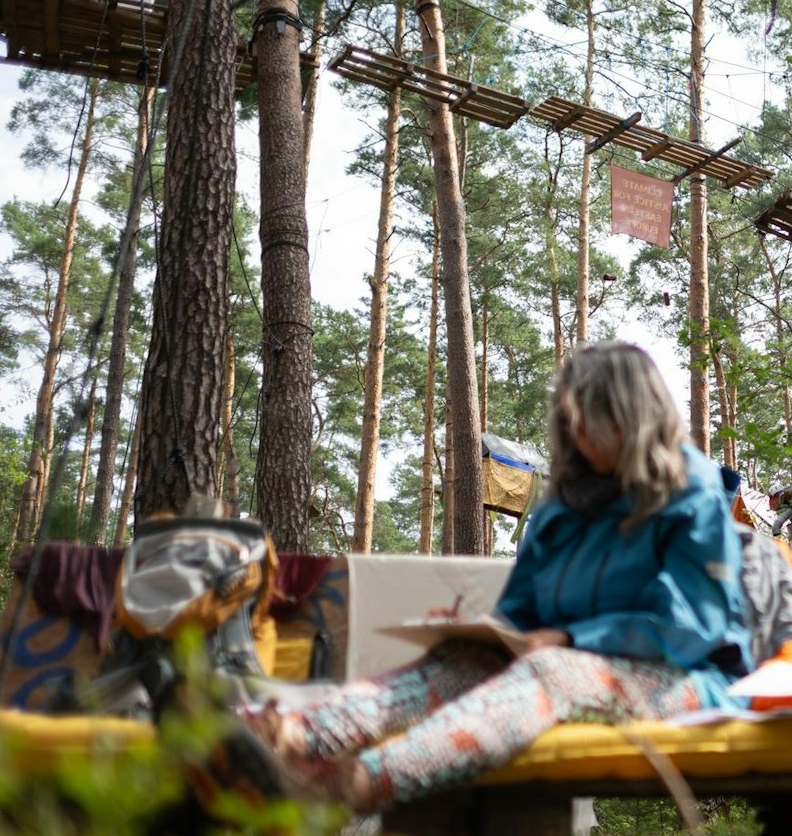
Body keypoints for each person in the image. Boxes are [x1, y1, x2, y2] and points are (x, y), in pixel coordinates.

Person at [238, 343, 752, 811]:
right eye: (570, 422)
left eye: (590, 422)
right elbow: (523, 613)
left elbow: (692, 626)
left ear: (632, 418)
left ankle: (357, 785)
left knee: (554, 671)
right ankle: (290, 737)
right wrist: (483, 630)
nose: (577, 437)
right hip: (567, 664)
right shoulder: (565, 504)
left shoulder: (694, 494)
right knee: (456, 663)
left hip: (687, 679)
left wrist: (571, 639)